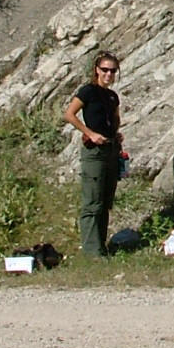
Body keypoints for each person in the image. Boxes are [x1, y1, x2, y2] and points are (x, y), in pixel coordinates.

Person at [63, 51, 125, 257]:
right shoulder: (88, 91)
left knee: (105, 200)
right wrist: (89, 133)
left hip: (110, 149)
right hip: (94, 151)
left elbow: (115, 119)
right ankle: (92, 251)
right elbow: (69, 114)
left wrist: (116, 135)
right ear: (97, 70)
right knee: (92, 201)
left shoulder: (112, 96)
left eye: (112, 70)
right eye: (105, 69)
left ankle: (101, 246)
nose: (108, 74)